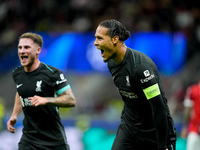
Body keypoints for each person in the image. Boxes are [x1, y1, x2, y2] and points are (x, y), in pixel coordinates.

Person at [94, 19, 176, 150]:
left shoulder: (142, 68)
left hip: (153, 132)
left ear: (115, 39)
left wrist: (163, 143)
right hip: (130, 129)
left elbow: (158, 107)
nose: (95, 43)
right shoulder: (111, 63)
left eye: (99, 38)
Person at [7, 32, 76, 150]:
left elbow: (71, 100)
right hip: (29, 139)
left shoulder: (53, 73)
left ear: (38, 50)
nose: (22, 51)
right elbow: (20, 92)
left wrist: (46, 100)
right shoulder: (17, 73)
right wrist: (14, 115)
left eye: (27, 47)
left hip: (53, 139)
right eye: (20, 47)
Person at [181, 67, 200, 150]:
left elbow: (187, 110)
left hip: (194, 129)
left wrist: (185, 126)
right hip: (194, 128)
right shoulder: (192, 91)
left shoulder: (192, 90)